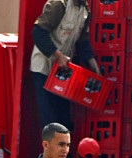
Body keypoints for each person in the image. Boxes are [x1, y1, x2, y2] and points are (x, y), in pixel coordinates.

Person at [30, 0, 100, 132]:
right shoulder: (59, 4)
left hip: (63, 72)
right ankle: (50, 145)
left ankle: (63, 145)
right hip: (45, 68)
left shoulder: (85, 10)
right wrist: (58, 55)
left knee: (64, 119)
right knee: (49, 118)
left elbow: (82, 42)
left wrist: (95, 68)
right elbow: (38, 32)